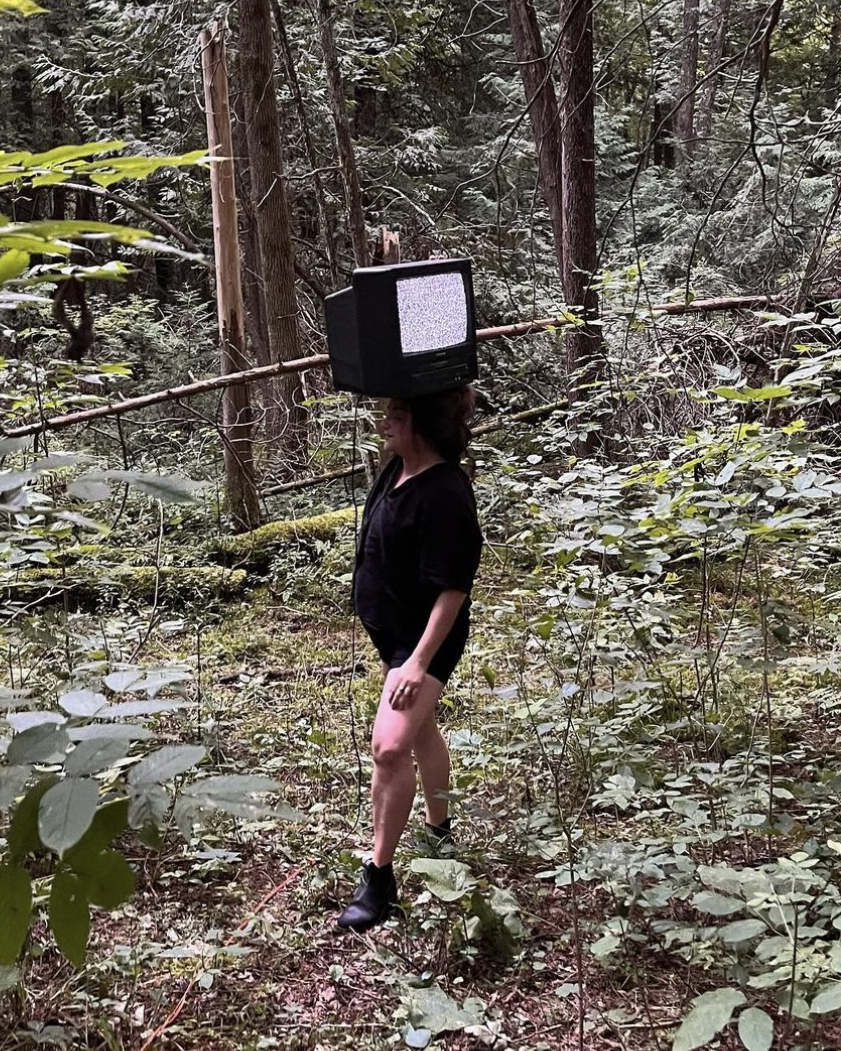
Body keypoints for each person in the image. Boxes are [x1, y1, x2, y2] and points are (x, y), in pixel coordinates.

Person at [337, 385, 483, 933]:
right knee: (422, 732)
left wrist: (418, 662)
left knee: (390, 746)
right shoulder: (394, 473)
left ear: (421, 423)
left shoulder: (445, 490)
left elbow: (453, 588)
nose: (385, 422)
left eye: (396, 413)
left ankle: (380, 879)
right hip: (395, 634)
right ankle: (439, 830)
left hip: (424, 641)